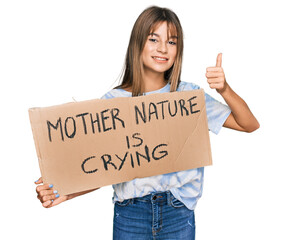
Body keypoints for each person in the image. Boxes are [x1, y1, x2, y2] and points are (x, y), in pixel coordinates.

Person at [35, 6, 259, 239]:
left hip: (178, 212)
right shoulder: (113, 102)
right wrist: (66, 192)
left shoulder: (189, 96)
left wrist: (224, 89)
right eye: (154, 39)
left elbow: (249, 124)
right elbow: (104, 167)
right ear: (138, 43)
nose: (163, 48)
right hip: (130, 214)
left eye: (172, 42)